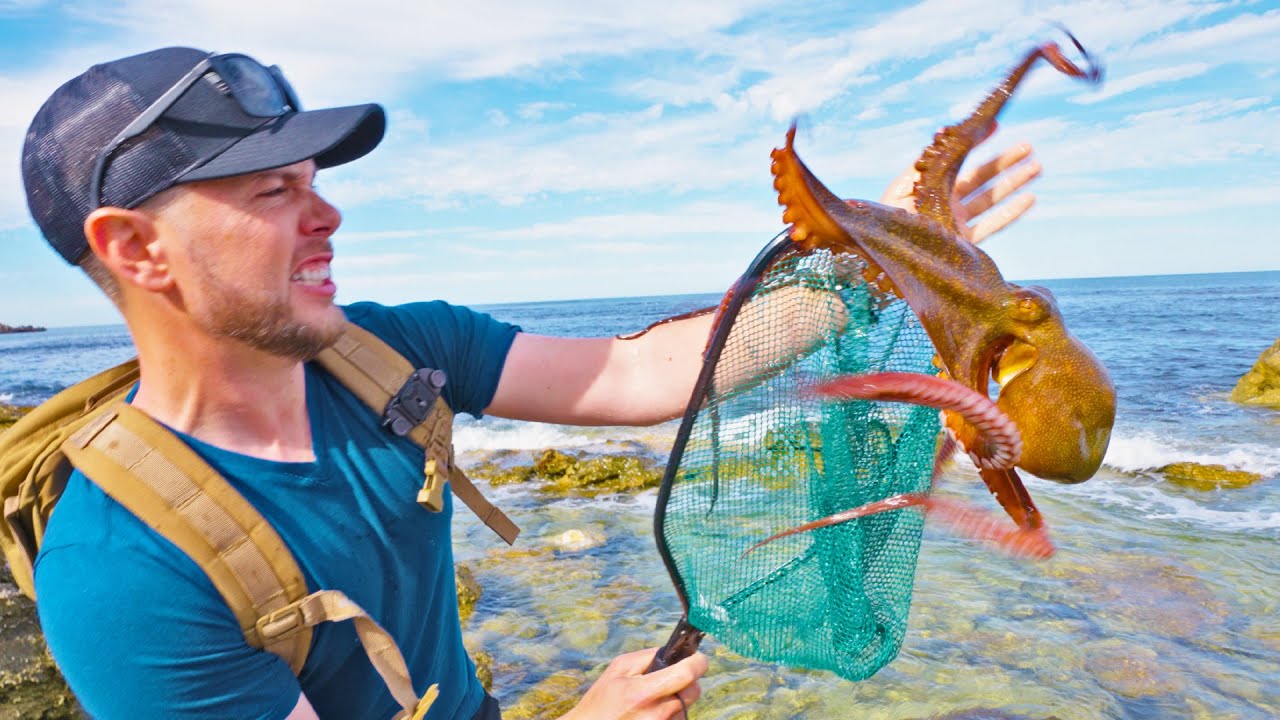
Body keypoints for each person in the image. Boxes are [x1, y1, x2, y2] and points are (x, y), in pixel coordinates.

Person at [19, 47, 1042, 720]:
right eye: (271, 190)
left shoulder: (390, 352)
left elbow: (641, 371)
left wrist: (873, 256)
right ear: (136, 249)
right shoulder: (123, 576)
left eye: (315, 182)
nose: (326, 215)